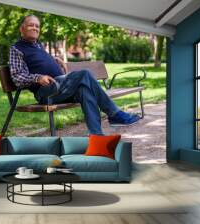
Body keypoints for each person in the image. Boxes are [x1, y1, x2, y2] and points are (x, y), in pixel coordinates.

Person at [9, 15, 140, 135]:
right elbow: (17, 77)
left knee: (85, 90)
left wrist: (54, 59)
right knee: (85, 74)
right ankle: (114, 114)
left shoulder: (38, 45)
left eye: (37, 26)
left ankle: (96, 136)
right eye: (31, 25)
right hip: (46, 92)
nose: (35, 28)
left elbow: (37, 61)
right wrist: (37, 77)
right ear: (22, 28)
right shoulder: (16, 49)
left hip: (61, 88)